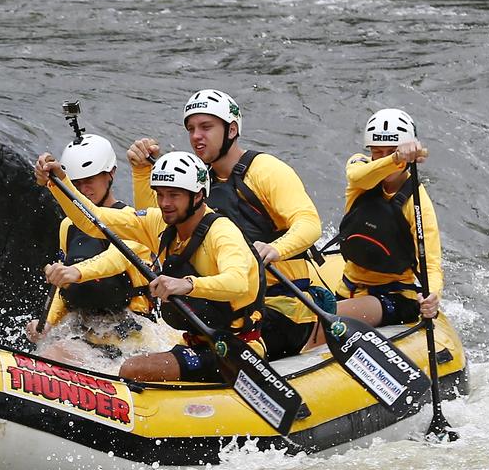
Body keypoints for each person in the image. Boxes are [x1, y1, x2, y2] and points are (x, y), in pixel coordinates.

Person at [127, 89, 326, 359]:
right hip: (225, 308)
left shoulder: (265, 170)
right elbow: (157, 223)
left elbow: (309, 223)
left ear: (231, 130)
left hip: (280, 305)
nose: (196, 136)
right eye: (191, 128)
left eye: (206, 127)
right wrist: (142, 172)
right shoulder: (196, 183)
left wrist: (275, 249)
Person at [36, 150, 264, 383]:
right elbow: (92, 220)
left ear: (197, 196)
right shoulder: (158, 223)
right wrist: (59, 183)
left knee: (133, 369)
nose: (165, 203)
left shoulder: (223, 234)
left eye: (174, 195)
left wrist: (185, 285)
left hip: (236, 349)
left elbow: (237, 282)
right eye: (160, 194)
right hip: (194, 342)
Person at [25, 134, 154, 360]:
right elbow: (64, 287)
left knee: (55, 355)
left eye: (90, 180)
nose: (84, 189)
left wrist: (77, 272)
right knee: (49, 351)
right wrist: (47, 322)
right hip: (85, 330)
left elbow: (117, 258)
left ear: (111, 174)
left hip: (132, 335)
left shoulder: (131, 221)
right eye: (77, 183)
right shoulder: (68, 226)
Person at [335, 108, 442, 326]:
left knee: (327, 318)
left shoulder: (417, 201)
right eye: (377, 152)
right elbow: (359, 178)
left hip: (396, 297)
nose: (383, 158)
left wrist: (433, 295)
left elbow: (430, 263)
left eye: (390, 151)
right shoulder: (359, 168)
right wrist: (395, 158)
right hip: (350, 289)